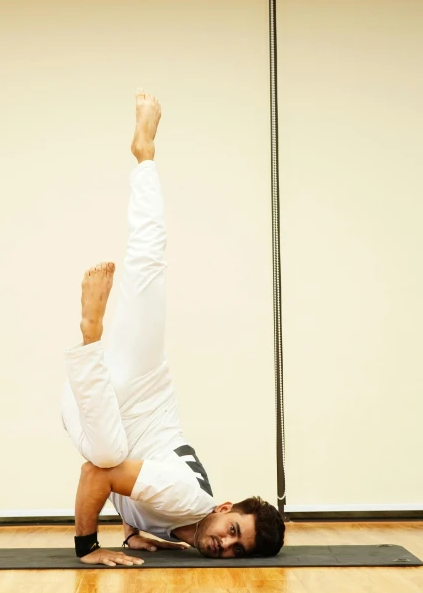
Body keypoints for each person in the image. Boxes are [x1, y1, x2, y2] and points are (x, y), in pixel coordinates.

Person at [61, 89, 285, 566]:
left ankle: (90, 340)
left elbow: (127, 482)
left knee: (109, 449)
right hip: (135, 388)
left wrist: (136, 530)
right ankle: (145, 155)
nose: (224, 544)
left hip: (95, 403)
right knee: (147, 265)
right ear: (224, 508)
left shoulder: (184, 525)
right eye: (232, 530)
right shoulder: (187, 498)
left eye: (235, 548)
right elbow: (97, 478)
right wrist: (89, 550)